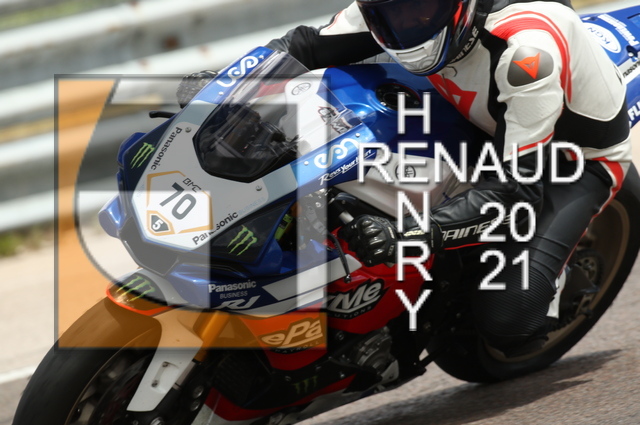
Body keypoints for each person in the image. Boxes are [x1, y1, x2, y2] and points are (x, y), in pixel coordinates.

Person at [180, 0, 632, 356]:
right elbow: (303, 46)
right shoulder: (382, 10)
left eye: (423, 8)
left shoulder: (527, 54)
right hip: (471, 110)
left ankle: (555, 282)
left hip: (567, 159)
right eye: (392, 14)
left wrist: (412, 234)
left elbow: (516, 192)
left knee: (510, 323)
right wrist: (224, 87)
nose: (408, 24)